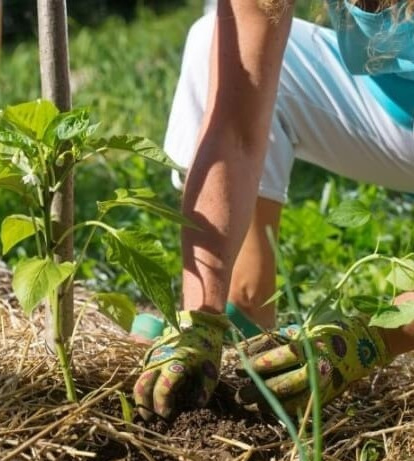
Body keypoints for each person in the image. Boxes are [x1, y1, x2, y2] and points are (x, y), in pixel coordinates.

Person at [132, 0, 414, 420]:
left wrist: (375, 336)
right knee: (213, 40)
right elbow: (235, 124)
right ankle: (243, 306)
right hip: (394, 102)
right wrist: (200, 317)